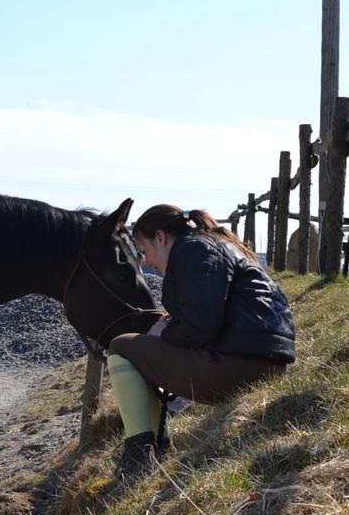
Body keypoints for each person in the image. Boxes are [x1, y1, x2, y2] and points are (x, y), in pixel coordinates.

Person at [106, 204, 296, 480]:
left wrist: (163, 334)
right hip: (265, 365)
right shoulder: (216, 246)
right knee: (143, 349)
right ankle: (158, 444)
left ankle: (139, 455)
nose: (146, 262)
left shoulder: (193, 250)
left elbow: (201, 326)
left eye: (144, 251)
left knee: (121, 347)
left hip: (239, 368)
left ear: (161, 237)